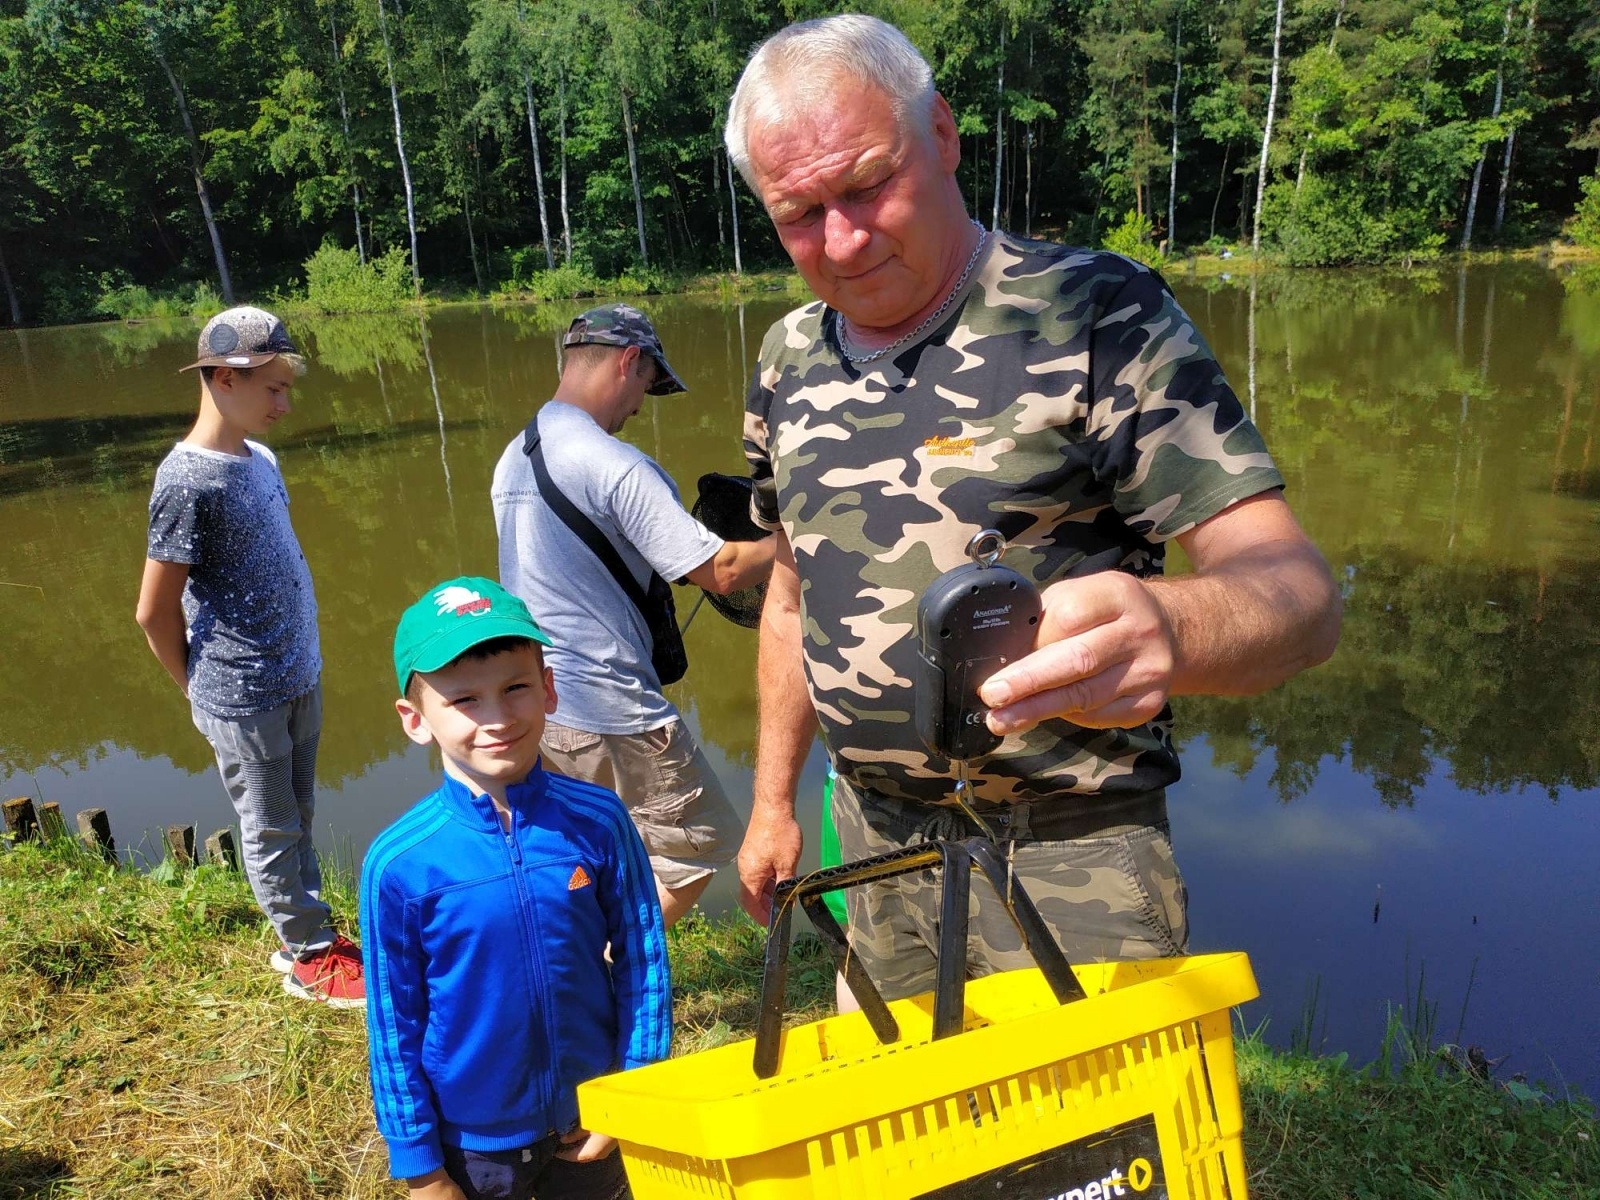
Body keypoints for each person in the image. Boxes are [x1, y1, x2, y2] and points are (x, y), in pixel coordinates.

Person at [723, 15, 1343, 1000]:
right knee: (904, 1142)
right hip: (873, 846)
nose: (840, 239)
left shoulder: (1096, 310)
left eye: (867, 184)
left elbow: (1301, 598)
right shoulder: (786, 358)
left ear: (940, 135)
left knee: (1093, 1153)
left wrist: (1173, 626)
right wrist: (769, 806)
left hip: (1070, 854)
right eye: (798, 212)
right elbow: (792, 597)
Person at [363, 576, 670, 1200]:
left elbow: (645, 961)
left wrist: (633, 1088)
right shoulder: (398, 864)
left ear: (549, 688)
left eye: (516, 688)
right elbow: (393, 1025)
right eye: (465, 700)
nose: (498, 718)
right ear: (415, 719)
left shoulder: (601, 819)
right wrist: (421, 1168)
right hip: (474, 1147)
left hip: (593, 1118)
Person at [492, 304, 775, 927]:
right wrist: (806, 539)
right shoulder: (614, 464)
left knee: (581, 855)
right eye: (647, 383)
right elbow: (720, 571)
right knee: (698, 846)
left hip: (544, 698)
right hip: (609, 703)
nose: (642, 406)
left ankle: (562, 958)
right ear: (628, 361)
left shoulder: (515, 455)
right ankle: (609, 971)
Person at [135, 305, 363, 1009]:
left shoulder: (261, 458)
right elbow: (153, 610)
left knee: (297, 808)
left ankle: (311, 928)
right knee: (268, 825)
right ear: (222, 380)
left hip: (299, 673)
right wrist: (197, 692)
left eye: (286, 386)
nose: (285, 403)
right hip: (242, 694)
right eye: (272, 388)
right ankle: (307, 959)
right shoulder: (185, 482)